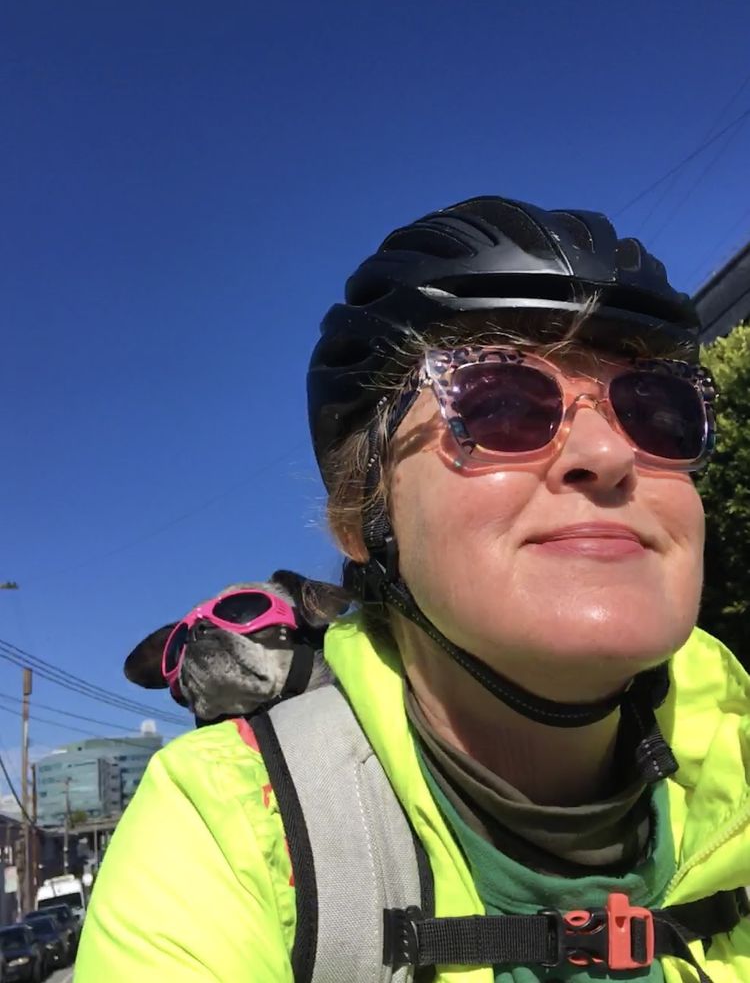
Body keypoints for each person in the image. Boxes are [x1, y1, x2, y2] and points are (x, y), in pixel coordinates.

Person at [76, 196, 750, 982]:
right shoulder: (224, 833)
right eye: (501, 403)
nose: (608, 453)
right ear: (362, 516)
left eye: (658, 413)